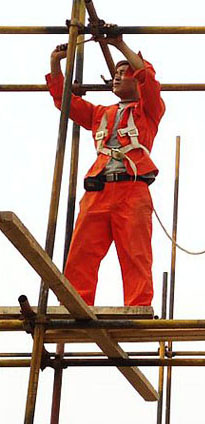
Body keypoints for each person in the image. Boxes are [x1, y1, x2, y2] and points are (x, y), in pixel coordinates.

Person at [47, 35, 165, 306]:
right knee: (81, 252)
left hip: (131, 187)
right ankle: (76, 304)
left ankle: (138, 307)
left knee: (135, 253)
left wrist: (119, 45)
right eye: (116, 73)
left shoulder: (148, 110)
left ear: (135, 80)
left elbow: (148, 77)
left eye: (124, 73)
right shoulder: (101, 113)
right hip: (99, 188)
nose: (117, 76)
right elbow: (65, 102)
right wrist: (55, 65)